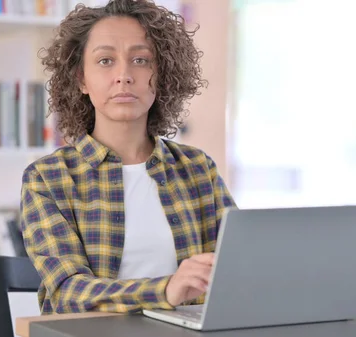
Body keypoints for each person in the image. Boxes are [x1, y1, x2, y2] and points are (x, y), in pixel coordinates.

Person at [19, 0, 236, 315]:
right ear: (81, 79)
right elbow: (68, 290)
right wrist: (166, 289)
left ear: (161, 75)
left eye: (140, 60)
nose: (124, 75)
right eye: (105, 60)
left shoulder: (198, 169)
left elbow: (238, 268)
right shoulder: (48, 178)